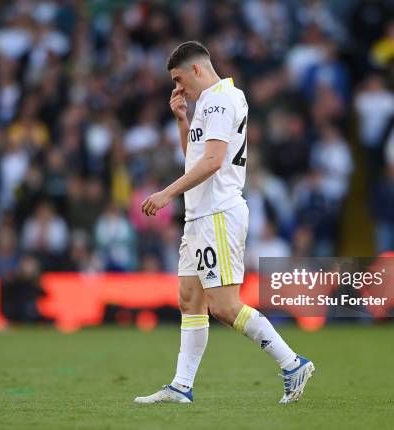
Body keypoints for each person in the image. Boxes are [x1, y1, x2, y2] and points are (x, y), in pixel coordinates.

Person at [135, 41, 314, 405]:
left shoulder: (219, 101)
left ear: (197, 69)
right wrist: (182, 120)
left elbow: (214, 161)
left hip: (218, 213)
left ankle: (292, 363)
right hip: (200, 214)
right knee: (189, 299)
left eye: (179, 79)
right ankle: (182, 386)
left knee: (224, 306)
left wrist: (167, 194)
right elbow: (195, 158)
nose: (177, 88)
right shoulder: (208, 104)